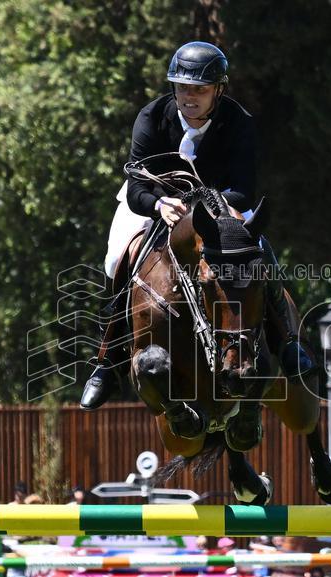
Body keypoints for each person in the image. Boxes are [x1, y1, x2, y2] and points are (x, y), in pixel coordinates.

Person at [80, 41, 314, 410]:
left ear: (218, 90)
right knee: (116, 260)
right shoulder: (152, 116)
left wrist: (200, 207)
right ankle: (106, 360)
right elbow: (137, 187)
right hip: (154, 202)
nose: (189, 97)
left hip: (219, 206)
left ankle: (287, 340)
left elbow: (243, 191)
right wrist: (159, 204)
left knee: (259, 251)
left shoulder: (239, 122)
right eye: (183, 88)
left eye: (200, 89)